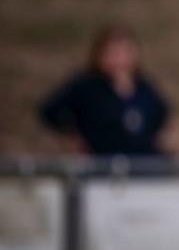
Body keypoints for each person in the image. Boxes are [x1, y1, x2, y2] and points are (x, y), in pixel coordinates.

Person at [40, 25, 168, 156]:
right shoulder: (86, 86)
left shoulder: (144, 86)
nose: (120, 59)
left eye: (125, 52)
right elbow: (51, 111)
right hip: (101, 162)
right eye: (114, 52)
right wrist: (72, 136)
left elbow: (161, 114)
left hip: (141, 161)